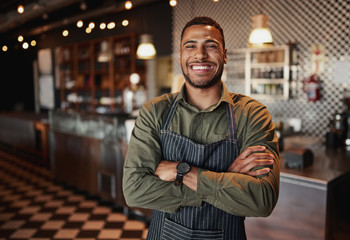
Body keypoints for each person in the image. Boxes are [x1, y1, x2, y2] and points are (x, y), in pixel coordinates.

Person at [123, 16, 280, 240]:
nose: (200, 54)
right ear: (181, 55)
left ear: (224, 54)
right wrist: (225, 178)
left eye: (211, 46)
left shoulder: (252, 114)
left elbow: (262, 200)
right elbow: (134, 191)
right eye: (191, 46)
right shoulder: (154, 112)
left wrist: (181, 170)